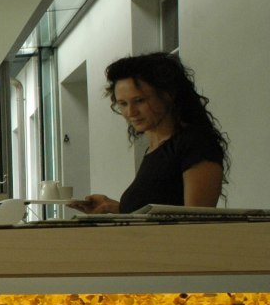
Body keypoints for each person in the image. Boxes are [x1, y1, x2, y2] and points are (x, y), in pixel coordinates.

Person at [71, 52, 229, 215]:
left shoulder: (195, 144)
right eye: (123, 104)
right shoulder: (155, 148)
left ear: (168, 95)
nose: (131, 112)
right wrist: (114, 208)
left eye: (139, 101)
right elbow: (161, 211)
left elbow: (196, 223)